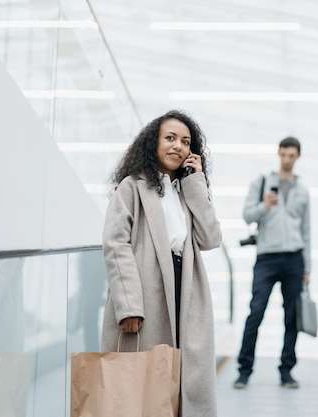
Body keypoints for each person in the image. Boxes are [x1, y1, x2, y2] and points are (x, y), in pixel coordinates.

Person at [100, 110, 222, 416]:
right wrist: (129, 306)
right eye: (170, 138)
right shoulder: (132, 187)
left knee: (184, 382)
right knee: (144, 386)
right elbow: (116, 244)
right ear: (152, 143)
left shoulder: (184, 193)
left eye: (185, 142)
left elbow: (210, 238)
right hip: (147, 293)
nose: (178, 146)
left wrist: (196, 183)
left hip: (186, 293)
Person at [234, 136, 311, 389]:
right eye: (284, 154)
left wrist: (307, 267)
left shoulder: (302, 190)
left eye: (292, 155)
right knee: (256, 312)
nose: (287, 159)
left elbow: (306, 230)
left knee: (292, 317)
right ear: (279, 154)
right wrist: (264, 206)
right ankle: (244, 370)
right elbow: (247, 215)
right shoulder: (263, 182)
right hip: (267, 257)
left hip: (294, 259)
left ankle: (286, 371)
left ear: (297, 156)